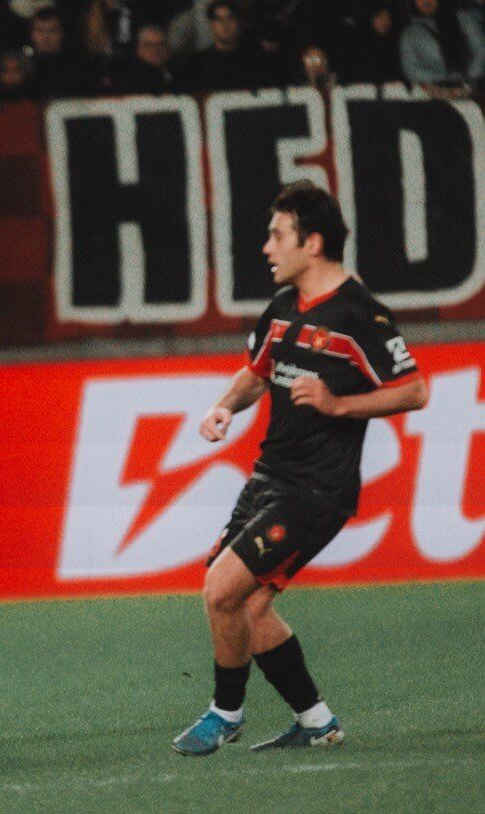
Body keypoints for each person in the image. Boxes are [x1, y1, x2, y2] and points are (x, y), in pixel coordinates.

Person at [172, 181, 428, 756]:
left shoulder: (360, 314)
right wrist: (223, 408)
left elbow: (414, 392)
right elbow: (257, 373)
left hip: (317, 490)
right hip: (269, 478)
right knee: (250, 608)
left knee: (221, 591)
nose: (267, 247)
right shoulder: (283, 308)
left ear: (312, 243)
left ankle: (225, 713)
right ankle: (317, 722)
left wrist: (341, 404)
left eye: (276, 234)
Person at [400, 0, 485, 98]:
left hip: (474, 90)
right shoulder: (410, 34)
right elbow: (411, 70)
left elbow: (481, 51)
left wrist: (468, 82)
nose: (427, 2)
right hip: (435, 94)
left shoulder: (464, 19)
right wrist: (447, 83)